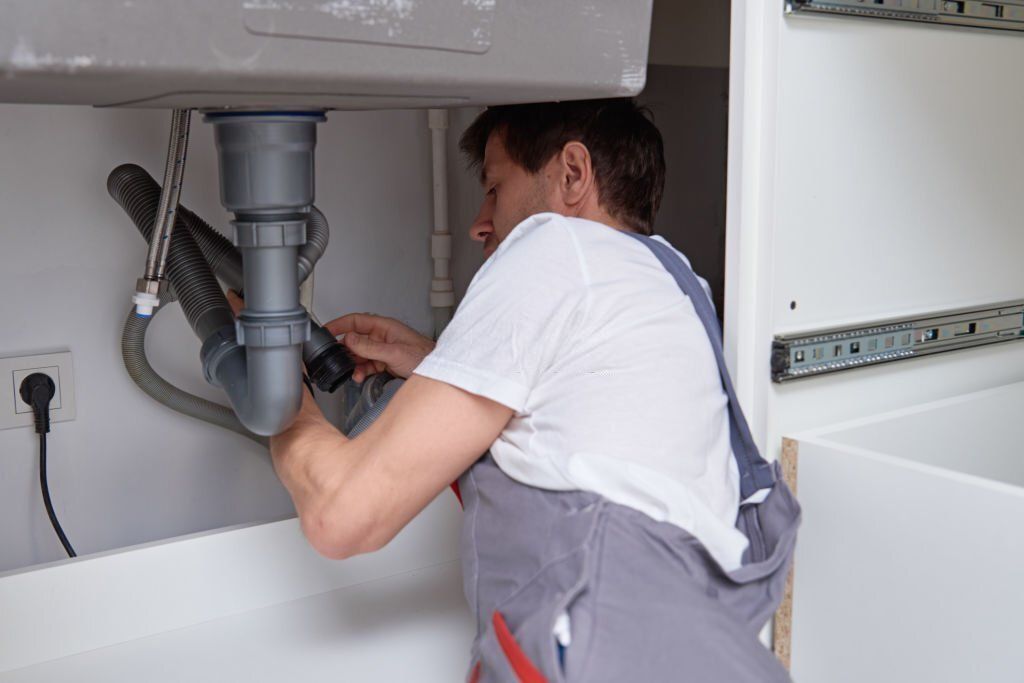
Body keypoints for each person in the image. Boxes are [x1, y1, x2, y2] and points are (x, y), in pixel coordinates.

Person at [258, 99, 799, 682]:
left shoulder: (556, 245)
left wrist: (277, 390)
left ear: (572, 174)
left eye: (495, 189)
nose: (479, 222)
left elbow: (343, 515)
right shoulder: (676, 280)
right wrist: (439, 363)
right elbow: (584, 416)